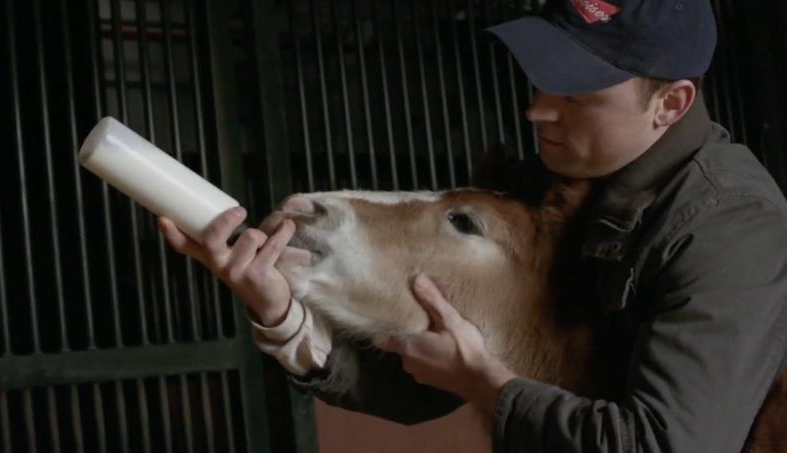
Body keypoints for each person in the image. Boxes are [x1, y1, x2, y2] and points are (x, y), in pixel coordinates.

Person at [158, 0, 787, 451]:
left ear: (670, 104)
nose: (537, 108)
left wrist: (489, 384)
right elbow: (425, 381)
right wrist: (282, 314)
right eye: (543, 81)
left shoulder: (729, 225)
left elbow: (667, 444)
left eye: (577, 94)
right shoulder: (555, 176)